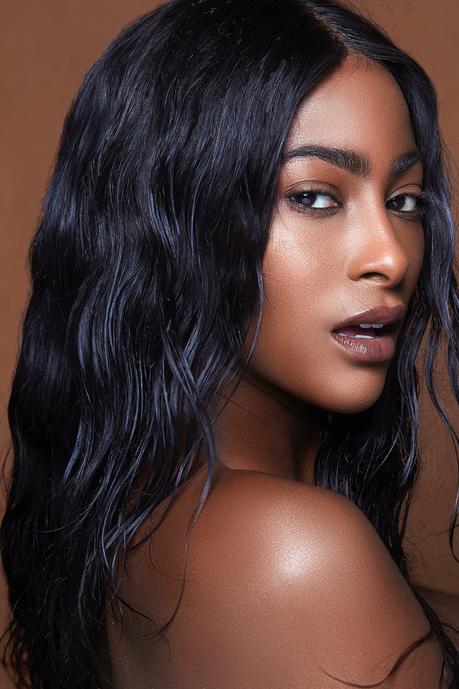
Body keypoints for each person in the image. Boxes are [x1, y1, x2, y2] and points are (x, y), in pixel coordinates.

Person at [1, 0, 458, 687]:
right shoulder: (292, 551)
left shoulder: (144, 518)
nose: (390, 256)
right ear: (176, 218)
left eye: (405, 200)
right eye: (314, 197)